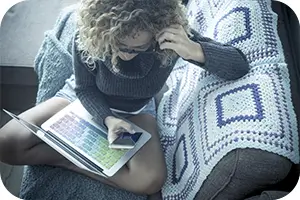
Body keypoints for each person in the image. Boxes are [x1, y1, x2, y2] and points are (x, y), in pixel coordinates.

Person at [0, 0, 249, 196]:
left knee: (150, 180)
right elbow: (85, 89)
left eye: (137, 49)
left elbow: (238, 65)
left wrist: (195, 50)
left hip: (137, 111)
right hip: (84, 100)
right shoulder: (91, 35)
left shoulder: (170, 38)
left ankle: (65, 159)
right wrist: (107, 119)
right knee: (6, 143)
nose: (126, 55)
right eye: (118, 46)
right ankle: (76, 155)